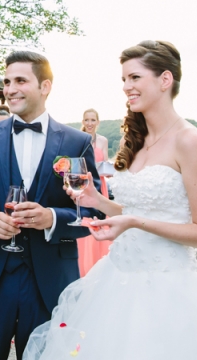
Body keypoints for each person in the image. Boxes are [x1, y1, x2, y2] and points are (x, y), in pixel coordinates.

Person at [24, 41, 197, 360]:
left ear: (165, 80)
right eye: (124, 80)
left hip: (168, 290)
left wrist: (133, 222)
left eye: (135, 77)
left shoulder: (189, 140)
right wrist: (97, 200)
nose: (126, 87)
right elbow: (137, 211)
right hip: (116, 280)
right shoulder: (137, 141)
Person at [0, 51, 100, 360]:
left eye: (20, 81)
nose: (10, 89)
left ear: (45, 86)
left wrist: (52, 218)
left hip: (50, 282)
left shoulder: (76, 142)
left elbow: (93, 212)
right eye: (7, 82)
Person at [75, 108, 111, 276]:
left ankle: (98, 260)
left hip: (100, 185)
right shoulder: (78, 138)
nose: (89, 123)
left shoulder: (103, 140)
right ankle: (82, 262)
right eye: (87, 120)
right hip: (84, 185)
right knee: (85, 218)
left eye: (93, 120)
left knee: (100, 219)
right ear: (83, 121)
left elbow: (106, 162)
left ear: (98, 122)